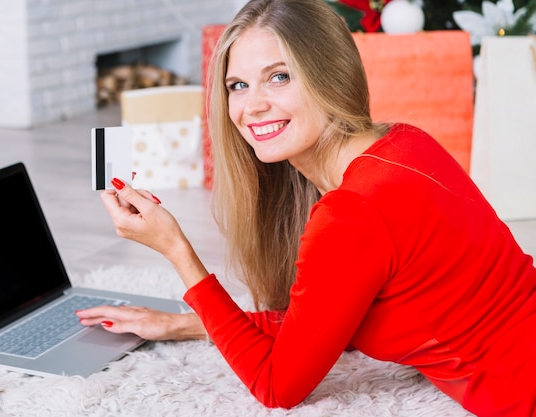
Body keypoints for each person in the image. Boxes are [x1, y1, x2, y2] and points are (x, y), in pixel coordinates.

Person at [76, 0, 536, 415]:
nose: (252, 106)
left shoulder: (351, 214)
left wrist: (177, 250)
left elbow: (278, 386)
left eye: (279, 76)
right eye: (238, 84)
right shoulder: (404, 142)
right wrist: (182, 325)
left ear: (329, 75)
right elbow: (324, 319)